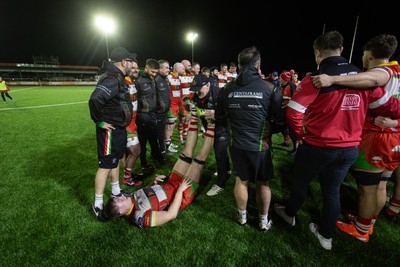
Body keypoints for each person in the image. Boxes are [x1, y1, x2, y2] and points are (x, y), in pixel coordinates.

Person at [273, 31, 400, 250]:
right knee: (332, 190)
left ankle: (289, 214)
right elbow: (393, 107)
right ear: (341, 50)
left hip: (318, 146)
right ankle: (326, 236)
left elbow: (293, 113)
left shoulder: (316, 78)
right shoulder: (363, 79)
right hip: (350, 148)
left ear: (317, 52)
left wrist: (301, 137)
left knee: (301, 184)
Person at [311, 34, 400, 240]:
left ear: (368, 56)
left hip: (378, 138)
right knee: (381, 184)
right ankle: (368, 222)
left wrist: (332, 78)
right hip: (394, 137)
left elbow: (372, 79)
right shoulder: (398, 72)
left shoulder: (382, 72)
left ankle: (360, 231)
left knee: (367, 188)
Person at [101, 105, 215, 227]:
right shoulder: (140, 217)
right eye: (119, 201)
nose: (121, 196)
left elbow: (146, 196)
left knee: (186, 153)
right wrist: (181, 190)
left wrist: (153, 183)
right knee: (199, 160)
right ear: (120, 212)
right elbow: (171, 214)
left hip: (171, 183)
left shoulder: (131, 198)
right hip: (183, 194)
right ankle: (214, 122)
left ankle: (193, 115)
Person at [216, 46, 282, 231]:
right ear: (258, 64)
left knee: (241, 180)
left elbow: (220, 118)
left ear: (238, 65)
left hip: (236, 144)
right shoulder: (270, 87)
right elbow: (279, 119)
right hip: (260, 145)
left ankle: (242, 216)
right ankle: (263, 220)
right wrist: (270, 132)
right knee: (263, 183)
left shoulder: (227, 88)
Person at [88, 47, 136, 218]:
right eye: (130, 61)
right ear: (124, 62)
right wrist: (99, 121)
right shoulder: (112, 78)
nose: (132, 64)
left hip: (118, 129)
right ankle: (98, 203)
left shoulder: (118, 77)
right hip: (110, 130)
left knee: (115, 160)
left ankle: (115, 191)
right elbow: (95, 99)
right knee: (105, 165)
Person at [136, 59, 164, 171]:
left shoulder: (152, 79)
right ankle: (143, 163)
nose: (154, 74)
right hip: (142, 116)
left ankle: (159, 159)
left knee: (154, 139)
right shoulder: (139, 81)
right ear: (146, 68)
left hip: (152, 115)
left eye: (156, 72)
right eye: (152, 71)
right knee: (142, 142)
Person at [121, 58, 143, 187]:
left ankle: (127, 174)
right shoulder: (123, 82)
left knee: (126, 151)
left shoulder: (132, 82)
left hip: (132, 122)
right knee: (136, 150)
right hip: (127, 124)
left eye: (136, 67)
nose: (135, 70)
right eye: (133, 67)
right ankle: (127, 178)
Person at [155, 59, 171, 158]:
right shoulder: (155, 79)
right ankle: (161, 152)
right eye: (167, 68)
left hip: (164, 111)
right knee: (159, 133)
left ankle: (161, 150)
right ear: (160, 68)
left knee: (162, 132)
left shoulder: (164, 79)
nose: (168, 70)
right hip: (158, 113)